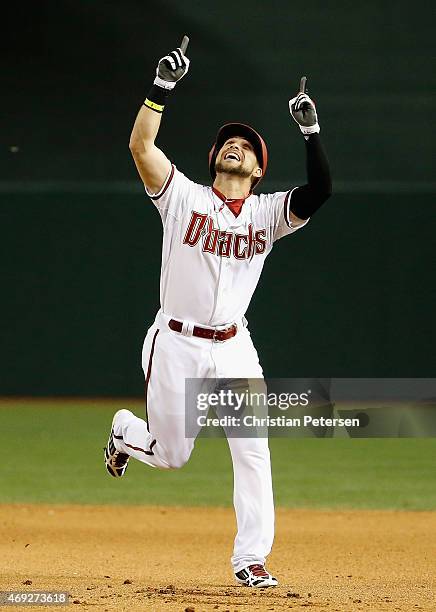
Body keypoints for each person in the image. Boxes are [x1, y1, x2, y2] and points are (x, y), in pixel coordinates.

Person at [104, 36, 331, 588]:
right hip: (176, 340)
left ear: (258, 169)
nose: (237, 146)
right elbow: (141, 146)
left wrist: (310, 132)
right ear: (215, 159)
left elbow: (321, 190)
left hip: (233, 344)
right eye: (229, 143)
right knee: (173, 455)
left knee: (253, 450)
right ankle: (124, 432)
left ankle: (250, 558)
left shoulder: (267, 212)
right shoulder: (183, 197)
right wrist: (160, 88)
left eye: (247, 146)